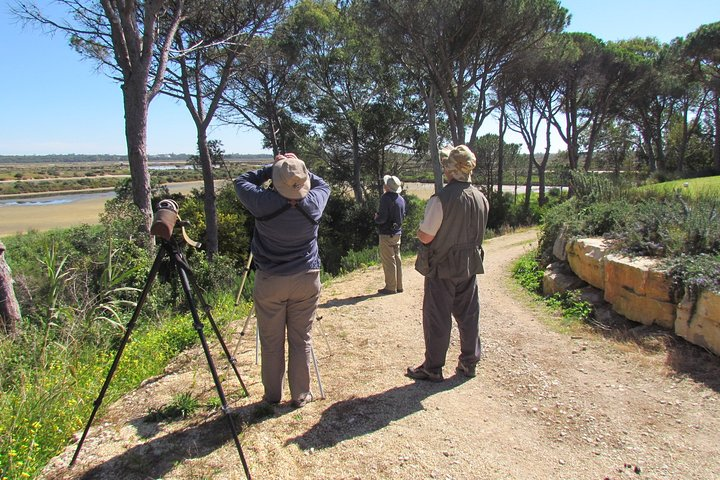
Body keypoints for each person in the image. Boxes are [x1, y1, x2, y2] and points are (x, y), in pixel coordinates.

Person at [234, 153, 330, 407]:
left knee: (271, 342)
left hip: (271, 281)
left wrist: (274, 168)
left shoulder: (262, 202)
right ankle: (300, 394)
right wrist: (298, 166)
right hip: (307, 279)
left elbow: (241, 181)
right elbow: (323, 185)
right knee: (301, 339)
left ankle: (272, 396)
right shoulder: (314, 202)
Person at [406, 144, 489, 382]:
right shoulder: (481, 198)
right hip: (469, 265)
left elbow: (426, 236)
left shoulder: (441, 199)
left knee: (437, 318)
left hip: (442, 267)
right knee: (469, 315)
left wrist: (419, 230)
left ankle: (433, 368)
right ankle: (469, 363)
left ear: (451, 170)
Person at [374, 175, 406, 294]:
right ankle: (399, 286)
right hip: (397, 233)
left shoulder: (385, 198)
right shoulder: (401, 199)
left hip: (386, 233)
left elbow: (382, 218)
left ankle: (390, 287)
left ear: (387, 186)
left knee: (388, 261)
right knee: (397, 259)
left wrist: (376, 218)